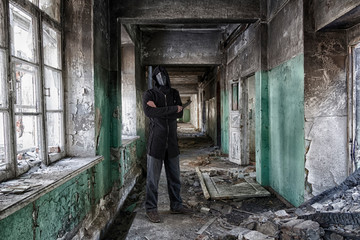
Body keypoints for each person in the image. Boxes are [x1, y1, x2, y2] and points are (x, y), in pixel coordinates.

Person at [142, 66, 191, 223]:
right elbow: (150, 112)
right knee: (152, 180)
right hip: (156, 143)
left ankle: (176, 205)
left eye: (163, 74)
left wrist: (161, 110)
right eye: (158, 75)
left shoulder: (174, 93)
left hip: (172, 143)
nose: (161, 77)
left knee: (175, 177)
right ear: (154, 78)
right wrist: (172, 109)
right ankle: (151, 209)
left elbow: (180, 112)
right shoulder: (149, 94)